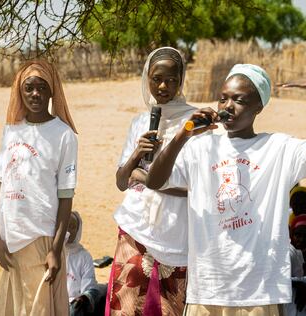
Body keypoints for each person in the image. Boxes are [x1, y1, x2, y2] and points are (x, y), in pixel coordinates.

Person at [146, 64, 306, 315]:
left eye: (239, 100)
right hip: (207, 289)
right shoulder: (200, 147)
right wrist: (184, 133)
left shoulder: (277, 147)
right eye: (223, 98)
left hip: (259, 291)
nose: (227, 106)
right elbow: (155, 181)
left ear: (258, 107)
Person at [105, 47, 197, 316]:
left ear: (181, 80)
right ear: (147, 78)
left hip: (176, 231)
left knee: (170, 308)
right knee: (127, 305)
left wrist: (147, 179)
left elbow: (196, 188)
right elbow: (122, 181)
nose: (162, 86)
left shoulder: (193, 123)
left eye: (170, 79)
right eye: (156, 78)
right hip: (136, 228)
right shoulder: (141, 122)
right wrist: (137, 153)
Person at [0, 60, 78, 316]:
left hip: (42, 237)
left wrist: (55, 249)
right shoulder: (11, 130)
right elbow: (1, 183)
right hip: (11, 237)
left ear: (53, 91)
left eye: (42, 87)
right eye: (29, 88)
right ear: (20, 91)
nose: (35, 94)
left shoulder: (63, 135)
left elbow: (66, 196)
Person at [66, 211, 106, 316]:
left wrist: (83, 298)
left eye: (73, 227)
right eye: (65, 226)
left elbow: (89, 284)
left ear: (78, 230)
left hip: (74, 304)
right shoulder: (53, 253)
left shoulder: (84, 256)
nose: (69, 230)